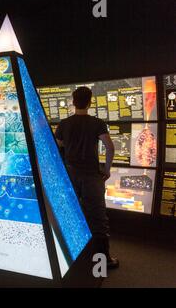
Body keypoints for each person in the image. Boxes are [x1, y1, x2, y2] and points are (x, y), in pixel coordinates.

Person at [55, 86, 119, 269]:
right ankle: (103, 261)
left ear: (73, 102)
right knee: (98, 219)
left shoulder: (64, 124)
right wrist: (106, 169)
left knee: (71, 215)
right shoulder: (97, 123)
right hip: (92, 176)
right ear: (90, 102)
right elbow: (110, 147)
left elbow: (57, 147)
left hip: (70, 176)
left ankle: (72, 259)